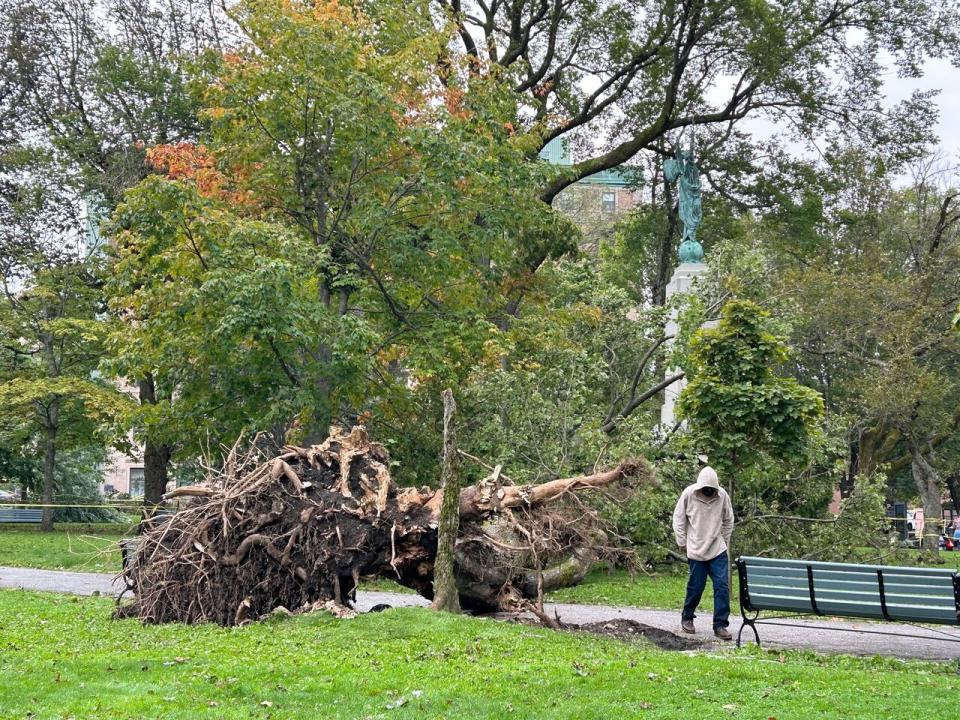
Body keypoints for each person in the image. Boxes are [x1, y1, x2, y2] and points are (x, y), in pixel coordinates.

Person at [672, 466, 735, 640]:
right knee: (695, 587)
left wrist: (725, 541)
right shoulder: (688, 494)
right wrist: (682, 541)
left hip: (717, 549)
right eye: (705, 489)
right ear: (699, 487)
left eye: (711, 489)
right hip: (695, 549)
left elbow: (729, 520)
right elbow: (678, 518)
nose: (708, 491)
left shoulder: (723, 496)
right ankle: (687, 617)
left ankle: (720, 624)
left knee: (722, 586)